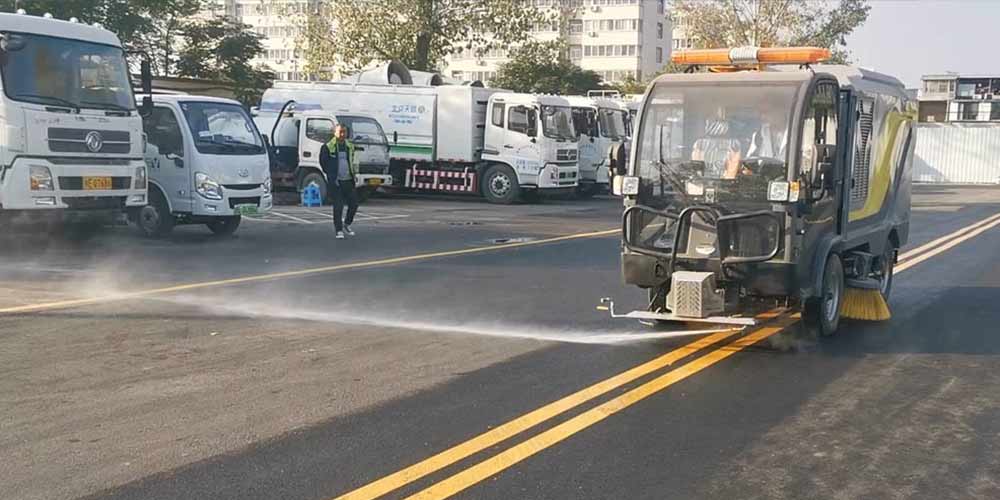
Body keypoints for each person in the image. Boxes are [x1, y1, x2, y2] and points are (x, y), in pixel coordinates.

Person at [319, 124, 360, 239]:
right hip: (336, 182)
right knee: (338, 206)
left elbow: (353, 161)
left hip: (348, 180)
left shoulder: (350, 146)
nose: (342, 134)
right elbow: (323, 163)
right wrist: (331, 176)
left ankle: (347, 224)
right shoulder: (328, 147)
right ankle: (338, 230)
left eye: (344, 132)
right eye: (340, 132)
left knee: (354, 204)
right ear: (335, 133)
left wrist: (354, 174)